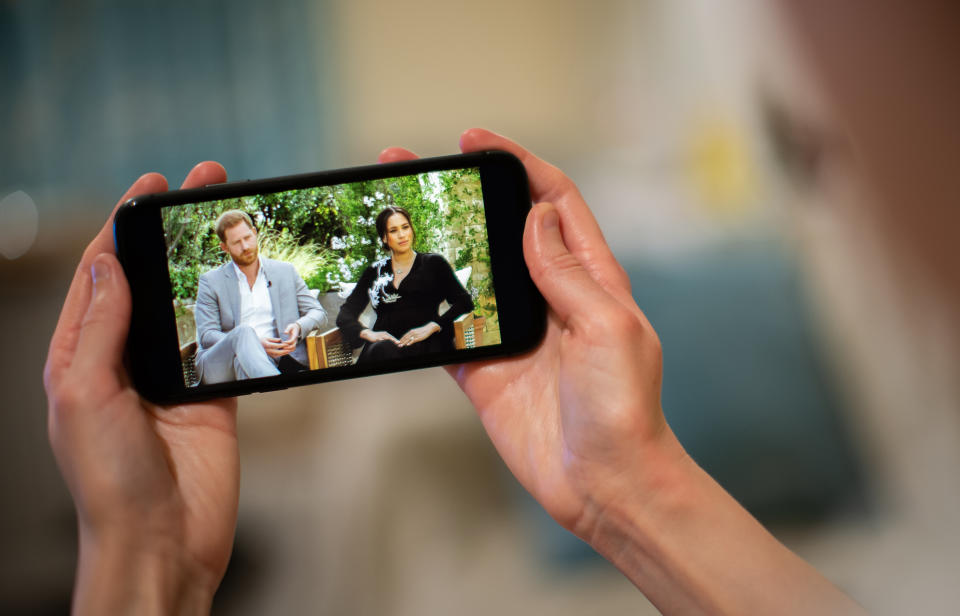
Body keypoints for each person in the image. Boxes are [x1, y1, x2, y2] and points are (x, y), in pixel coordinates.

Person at [42, 129, 865, 614]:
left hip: (411, 346)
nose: (396, 233)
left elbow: (456, 308)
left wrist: (628, 481)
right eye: (391, 225)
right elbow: (352, 322)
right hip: (322, 356)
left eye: (401, 223)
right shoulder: (350, 279)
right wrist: (145, 547)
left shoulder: (433, 264)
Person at [193, 209, 327, 384]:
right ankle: (281, 392)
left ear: (254, 233)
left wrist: (298, 326)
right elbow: (207, 335)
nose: (245, 247)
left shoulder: (285, 271)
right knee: (243, 333)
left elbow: (318, 313)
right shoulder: (210, 281)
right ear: (224, 247)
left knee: (242, 365)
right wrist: (251, 344)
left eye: (247, 238)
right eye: (236, 243)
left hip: (274, 360)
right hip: (219, 366)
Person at [335, 205, 473, 363]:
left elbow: (464, 302)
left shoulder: (434, 263)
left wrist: (434, 326)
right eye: (393, 231)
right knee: (382, 351)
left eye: (405, 227)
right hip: (383, 350)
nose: (402, 235)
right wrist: (368, 333)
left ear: (411, 230)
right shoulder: (374, 271)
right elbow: (345, 315)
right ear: (384, 238)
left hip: (427, 344)